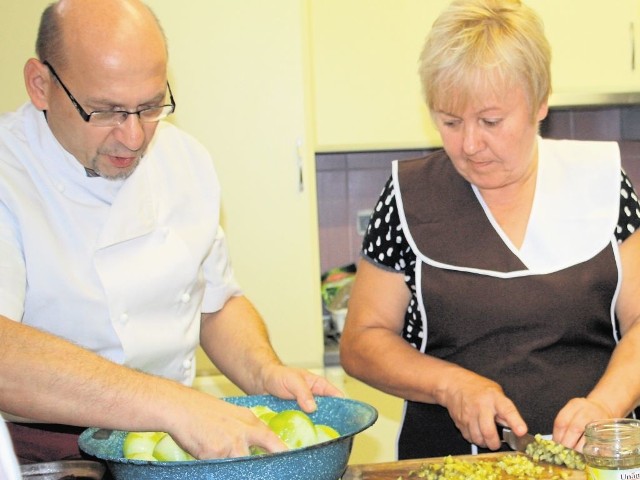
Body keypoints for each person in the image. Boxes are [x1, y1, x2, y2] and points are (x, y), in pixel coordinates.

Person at [0, 0, 341, 464]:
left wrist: (264, 371)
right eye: (105, 111)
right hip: (45, 454)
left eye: (151, 105)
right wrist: (174, 405)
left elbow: (216, 303)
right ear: (41, 86)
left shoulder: (186, 159)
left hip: (169, 446)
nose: (134, 137)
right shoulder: (7, 170)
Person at [340, 0, 640, 460]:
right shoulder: (408, 196)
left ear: (541, 102)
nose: (470, 144)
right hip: (448, 463)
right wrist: (450, 384)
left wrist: (605, 404)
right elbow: (362, 340)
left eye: (491, 121)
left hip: (594, 464)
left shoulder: (600, 182)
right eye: (450, 121)